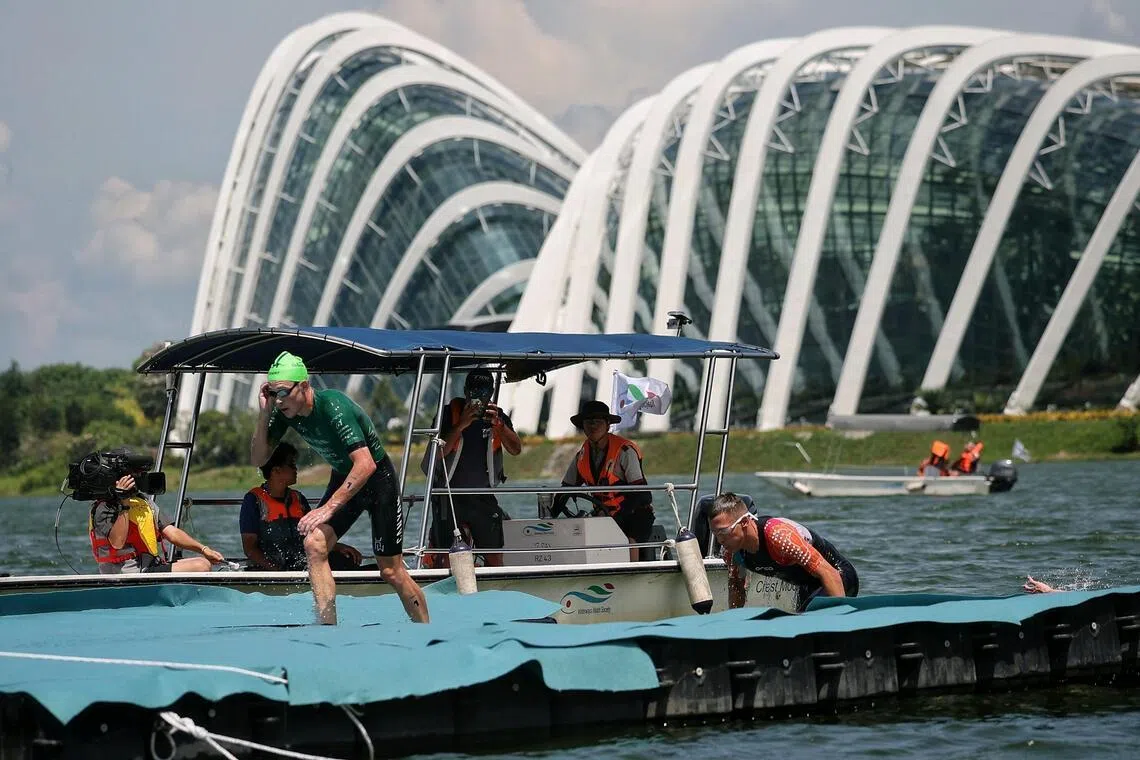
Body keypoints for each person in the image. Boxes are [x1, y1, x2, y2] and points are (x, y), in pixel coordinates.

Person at [251, 351, 428, 625]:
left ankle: (425, 629)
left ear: (305, 386)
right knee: (315, 544)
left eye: (284, 392)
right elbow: (258, 459)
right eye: (273, 393)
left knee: (391, 571)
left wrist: (328, 508)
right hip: (345, 477)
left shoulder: (334, 406)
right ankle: (327, 628)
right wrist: (264, 415)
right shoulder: (285, 413)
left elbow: (366, 464)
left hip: (377, 480)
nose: (279, 400)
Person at [424, 370, 522, 567]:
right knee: (447, 556)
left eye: (484, 391)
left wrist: (500, 426)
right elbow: (437, 454)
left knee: (494, 556)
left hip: (482, 496)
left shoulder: (497, 416)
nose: (478, 397)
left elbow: (516, 449)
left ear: (491, 393)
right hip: (450, 496)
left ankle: (494, 592)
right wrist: (460, 425)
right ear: (465, 391)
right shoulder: (447, 414)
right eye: (474, 391)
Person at [708, 492, 858, 612]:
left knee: (807, 621)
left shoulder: (778, 535)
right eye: (715, 533)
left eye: (724, 531)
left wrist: (841, 624)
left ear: (745, 522)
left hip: (839, 576)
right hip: (808, 587)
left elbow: (829, 573)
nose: (720, 540)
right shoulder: (732, 552)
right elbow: (737, 591)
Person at [551, 400, 656, 562]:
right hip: (603, 517)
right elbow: (566, 488)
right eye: (588, 422)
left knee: (628, 540)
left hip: (635, 513)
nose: (593, 426)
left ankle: (633, 575)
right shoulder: (581, 455)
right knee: (577, 534)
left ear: (607, 425)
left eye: (598, 422)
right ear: (583, 426)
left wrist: (616, 516)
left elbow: (642, 494)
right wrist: (551, 518)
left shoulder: (625, 451)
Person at [239, 442, 362, 572]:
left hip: (300, 565)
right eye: (291, 465)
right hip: (270, 570)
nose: (295, 469)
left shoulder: (299, 499)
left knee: (344, 560)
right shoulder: (253, 500)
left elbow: (312, 538)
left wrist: (338, 547)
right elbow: (250, 549)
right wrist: (277, 572)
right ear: (276, 470)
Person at [90, 473, 224, 574]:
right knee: (201, 566)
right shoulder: (104, 508)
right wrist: (124, 503)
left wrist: (204, 549)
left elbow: (172, 533)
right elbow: (117, 542)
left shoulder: (144, 503)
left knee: (203, 561)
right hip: (128, 573)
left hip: (149, 567)